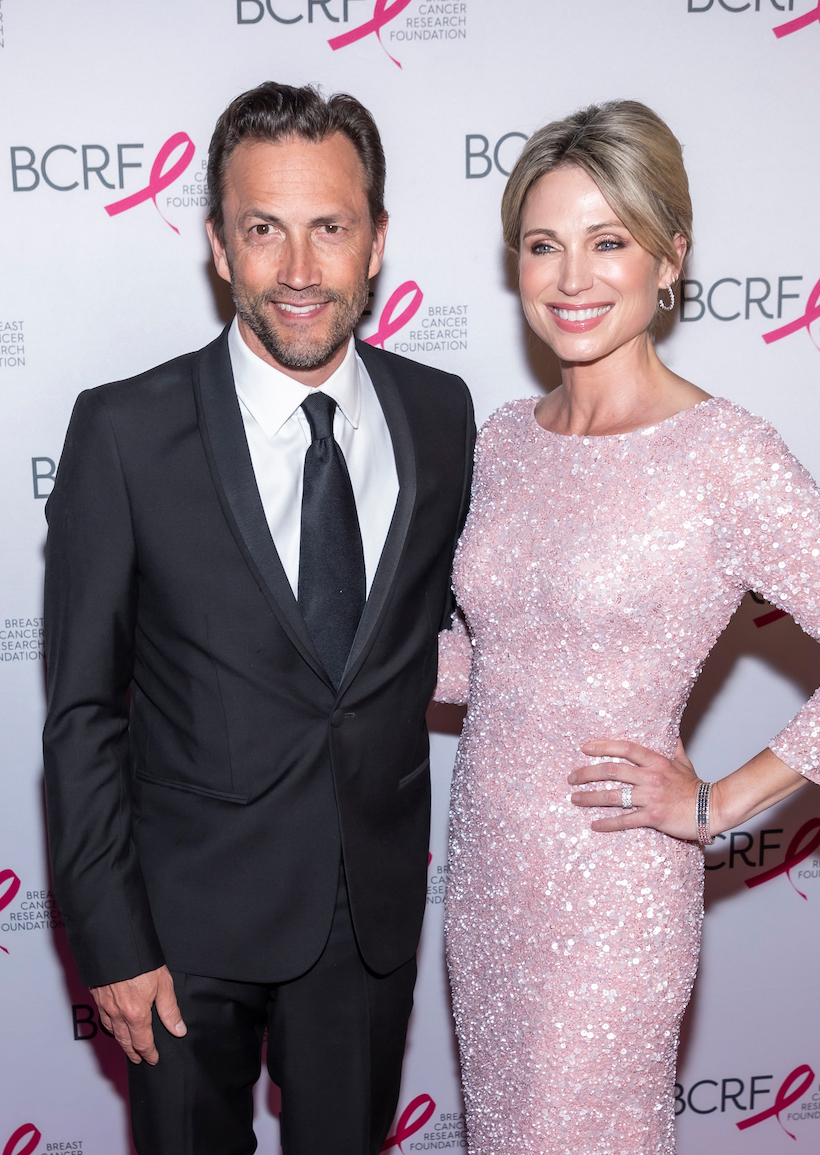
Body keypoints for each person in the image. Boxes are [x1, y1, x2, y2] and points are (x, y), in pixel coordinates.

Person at [434, 100, 820, 1155]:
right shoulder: (505, 441)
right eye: (544, 246)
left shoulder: (721, 454)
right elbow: (503, 663)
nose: (572, 278)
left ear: (669, 256)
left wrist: (718, 801)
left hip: (612, 890)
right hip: (489, 874)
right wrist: (333, 654)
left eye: (609, 242)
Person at [43, 81, 474, 1155]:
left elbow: (473, 634)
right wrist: (110, 937)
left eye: (330, 227)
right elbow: (84, 709)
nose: (297, 270)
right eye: (263, 229)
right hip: (181, 930)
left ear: (377, 241)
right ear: (219, 248)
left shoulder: (441, 414)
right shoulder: (123, 432)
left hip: (366, 918)